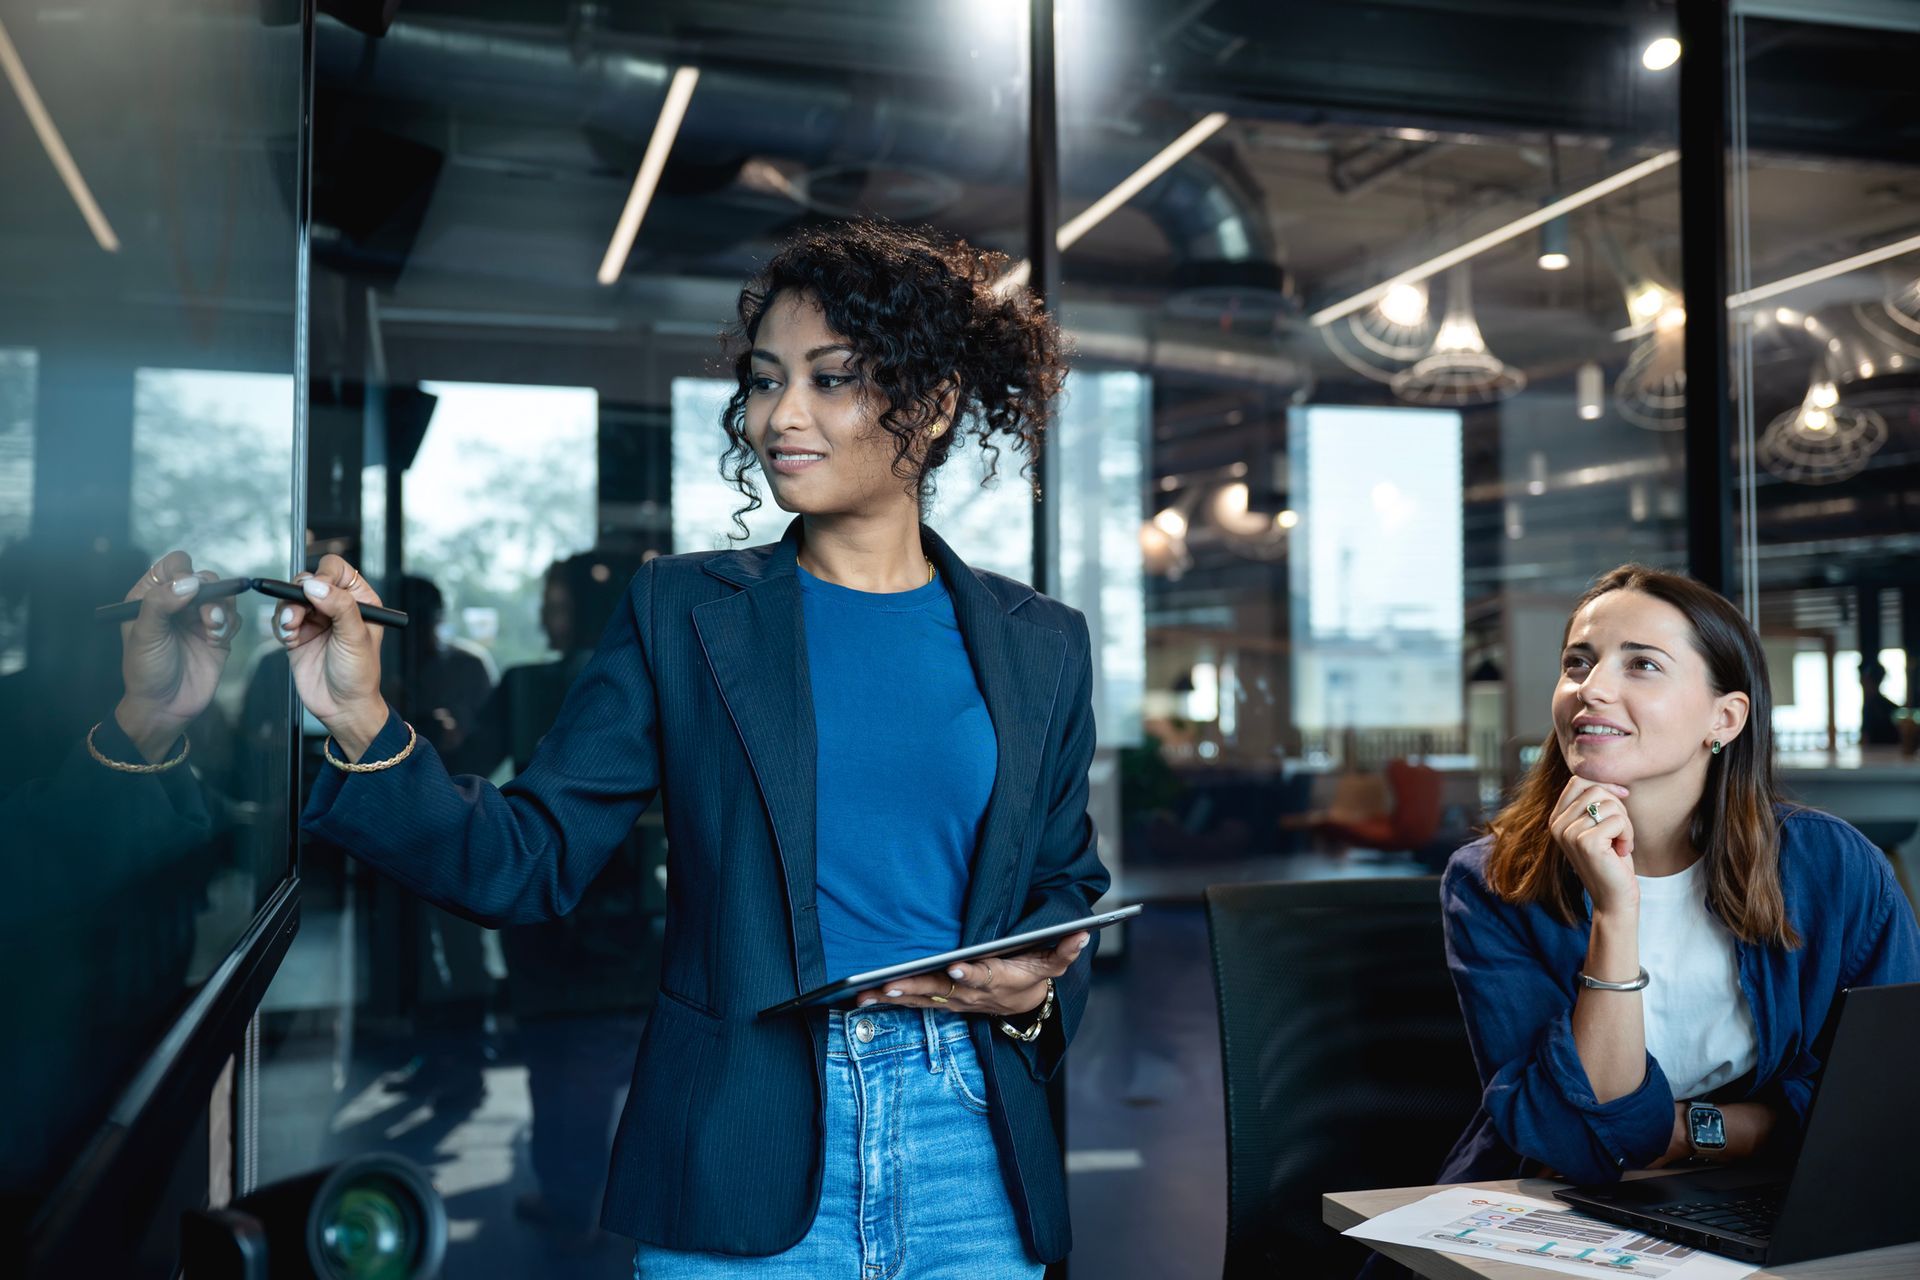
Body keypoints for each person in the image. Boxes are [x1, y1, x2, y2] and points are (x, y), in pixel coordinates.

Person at [276, 219, 1108, 1277]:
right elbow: (528, 857)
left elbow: (1065, 883)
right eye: (765, 382)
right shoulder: (685, 615)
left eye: (832, 378)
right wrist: (356, 715)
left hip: (970, 1147)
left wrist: (1033, 985)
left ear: (936, 401)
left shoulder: (1040, 643)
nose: (782, 415)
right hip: (738, 1141)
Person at [1437, 564, 1920, 1189]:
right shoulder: (1494, 881)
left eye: (1641, 664)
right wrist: (1616, 912)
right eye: (1578, 662)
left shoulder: (1832, 868)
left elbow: (1884, 1102)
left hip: (1772, 1197)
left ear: (1725, 719)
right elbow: (1581, 1140)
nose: (1592, 688)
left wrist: (1693, 1131)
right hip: (1542, 1205)